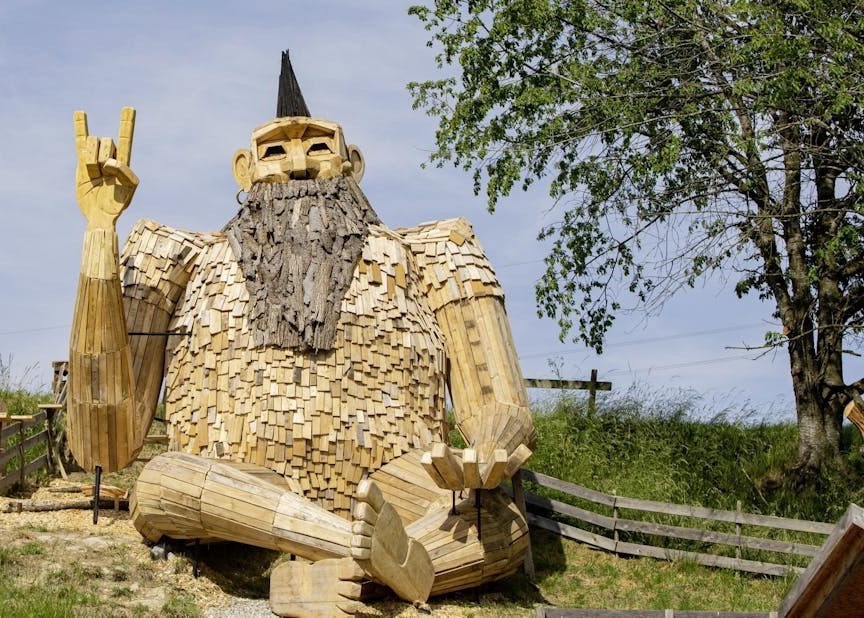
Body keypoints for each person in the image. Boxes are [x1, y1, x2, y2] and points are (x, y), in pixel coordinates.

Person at [67, 52, 536, 617]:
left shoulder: (435, 251)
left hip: (400, 489)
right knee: (163, 481)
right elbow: (105, 446)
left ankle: (326, 577)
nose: (297, 166)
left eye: (317, 147)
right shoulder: (177, 258)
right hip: (229, 491)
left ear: (352, 164)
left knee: (501, 523)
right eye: (274, 151)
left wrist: (490, 449)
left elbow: (499, 402)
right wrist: (100, 233)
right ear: (243, 170)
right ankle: (373, 560)